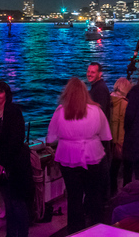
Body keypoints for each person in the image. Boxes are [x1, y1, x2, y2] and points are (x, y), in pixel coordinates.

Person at [46, 77, 112, 234]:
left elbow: (50, 138)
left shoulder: (61, 112)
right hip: (93, 156)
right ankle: (97, 229)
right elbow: (105, 136)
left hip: (68, 157)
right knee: (94, 195)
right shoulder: (97, 111)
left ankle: (75, 231)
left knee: (74, 198)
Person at [0, 80, 33, 237]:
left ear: (7, 94)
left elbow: (16, 139)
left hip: (14, 166)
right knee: (8, 204)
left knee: (17, 203)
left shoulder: (14, 112)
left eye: (0, 92)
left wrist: (2, 162)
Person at [109, 77, 133, 194]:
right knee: (127, 169)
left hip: (110, 141)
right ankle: (126, 193)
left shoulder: (108, 101)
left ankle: (112, 193)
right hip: (123, 142)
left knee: (112, 170)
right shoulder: (126, 104)